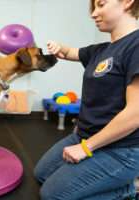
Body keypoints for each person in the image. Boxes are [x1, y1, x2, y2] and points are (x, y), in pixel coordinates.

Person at [34, 0, 139, 199]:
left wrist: (86, 148)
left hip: (121, 150)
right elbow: (70, 52)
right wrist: (58, 46)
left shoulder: (136, 46)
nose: (93, 14)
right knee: (42, 174)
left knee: (51, 195)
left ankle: (128, 190)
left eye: (101, 4)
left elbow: (136, 114)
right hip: (85, 136)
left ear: (127, 2)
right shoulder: (101, 50)